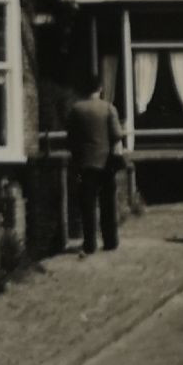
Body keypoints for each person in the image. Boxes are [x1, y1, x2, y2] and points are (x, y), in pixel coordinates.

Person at [65, 79, 124, 256]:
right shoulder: (108, 108)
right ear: (100, 88)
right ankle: (110, 241)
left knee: (87, 205)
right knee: (107, 204)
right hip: (105, 164)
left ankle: (90, 243)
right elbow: (116, 136)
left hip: (84, 163)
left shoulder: (76, 109)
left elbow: (71, 137)